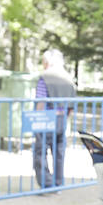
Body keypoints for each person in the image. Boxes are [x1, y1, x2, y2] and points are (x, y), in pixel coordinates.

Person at [33, 48, 77, 189]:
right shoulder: (68, 78)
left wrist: (37, 120)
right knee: (59, 153)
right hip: (62, 119)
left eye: (43, 62)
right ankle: (58, 183)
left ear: (48, 62)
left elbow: (41, 100)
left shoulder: (45, 77)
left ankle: (46, 183)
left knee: (40, 152)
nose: (43, 64)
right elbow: (72, 103)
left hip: (46, 119)